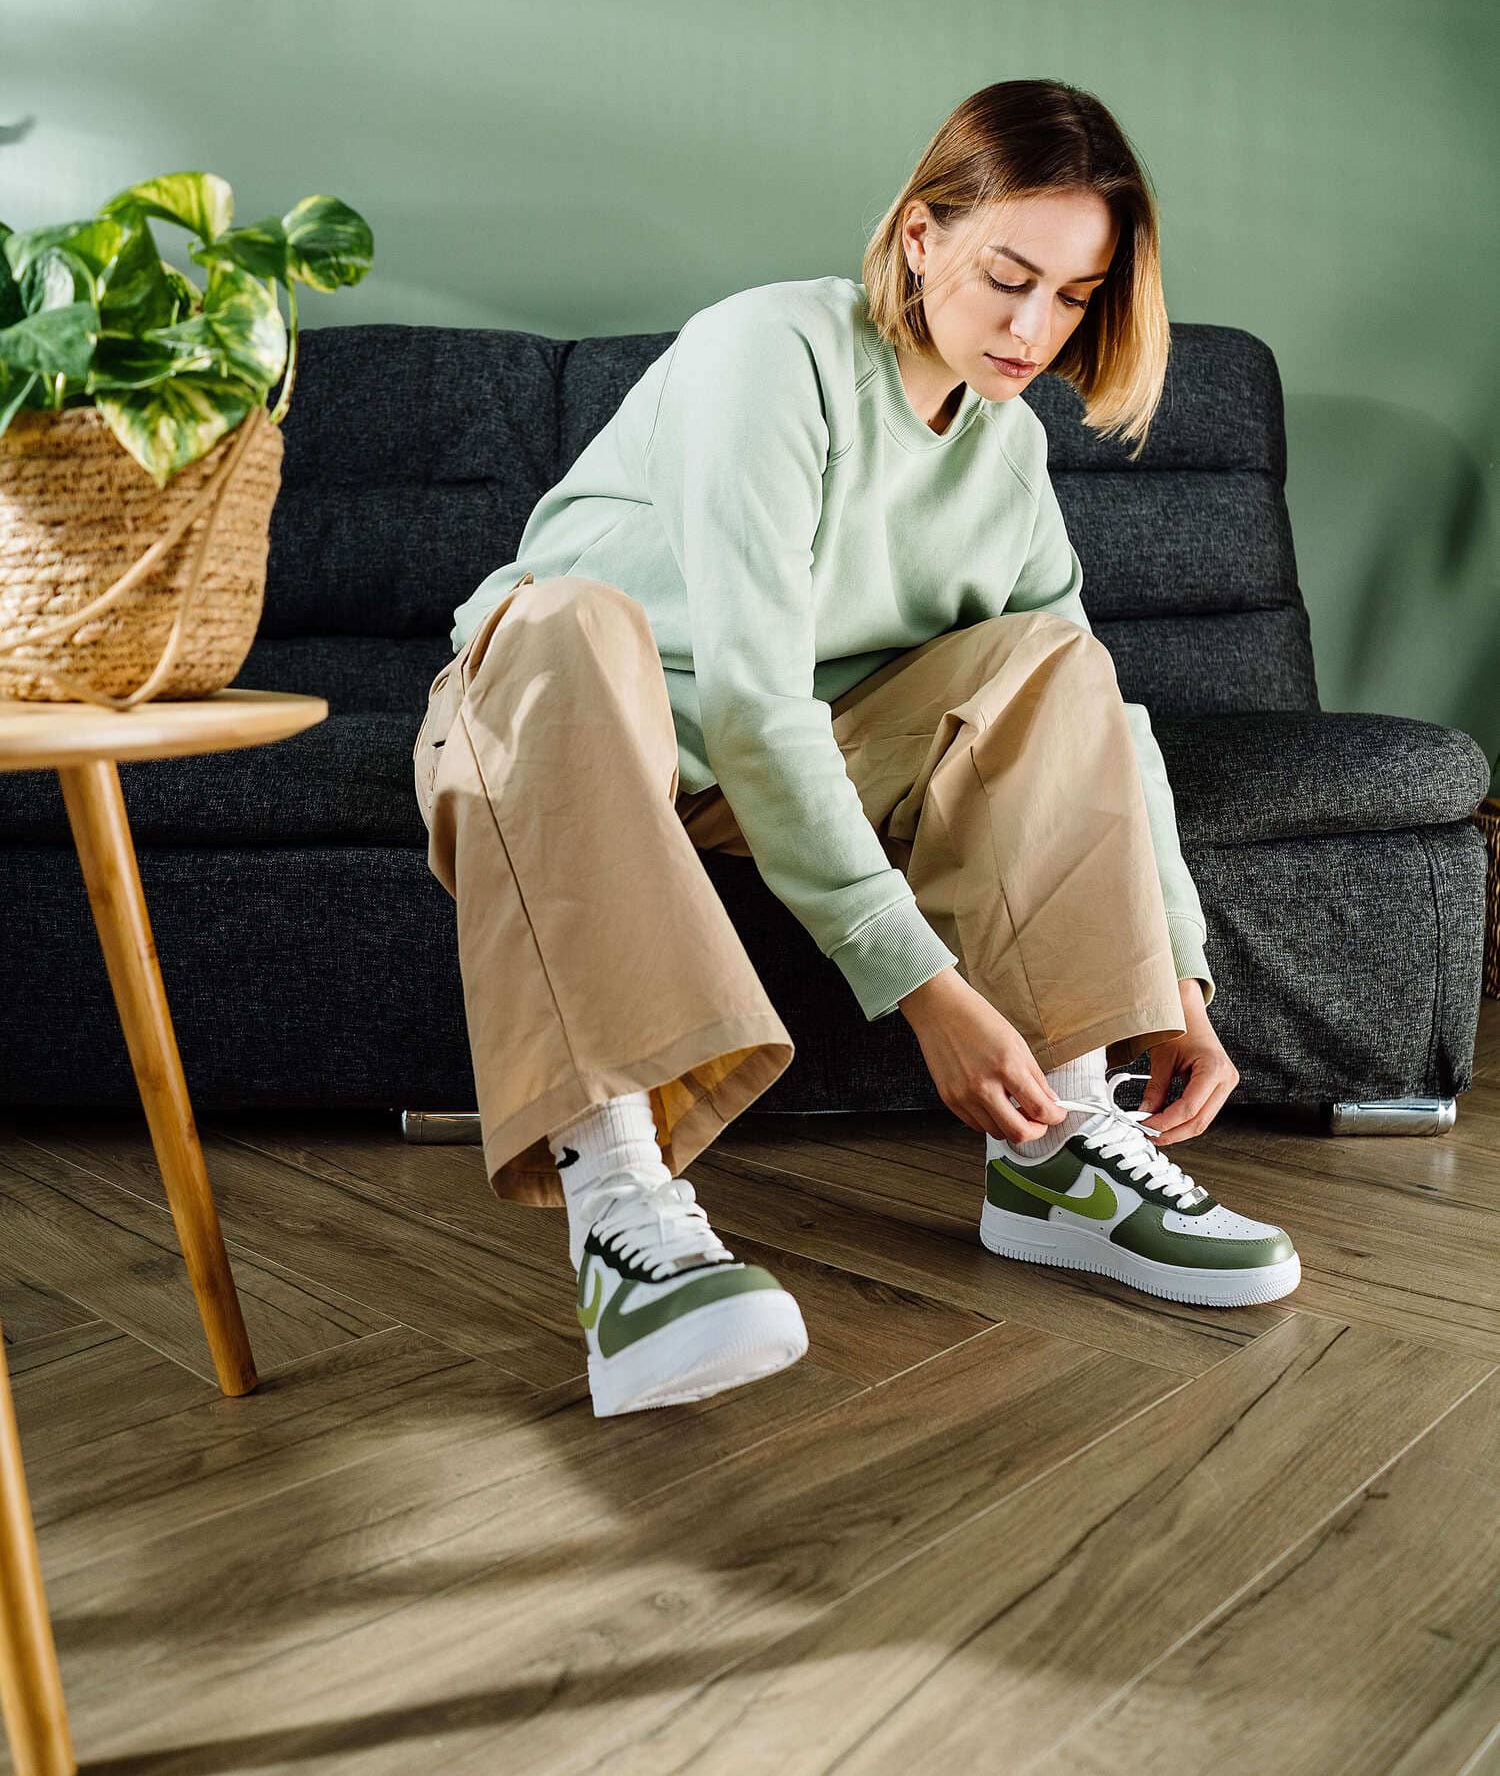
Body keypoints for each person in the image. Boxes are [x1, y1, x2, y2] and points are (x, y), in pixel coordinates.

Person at [414, 78, 1301, 1422]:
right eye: (1010, 273)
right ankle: (623, 1218)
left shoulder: (1006, 454)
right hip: (556, 719)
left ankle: (1060, 1141)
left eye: (1072, 293)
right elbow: (759, 701)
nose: (1031, 326)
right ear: (921, 234)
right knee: (574, 625)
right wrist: (924, 987)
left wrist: (1174, 972)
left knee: (1059, 662)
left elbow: (1096, 721)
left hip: (788, 750)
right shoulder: (769, 354)